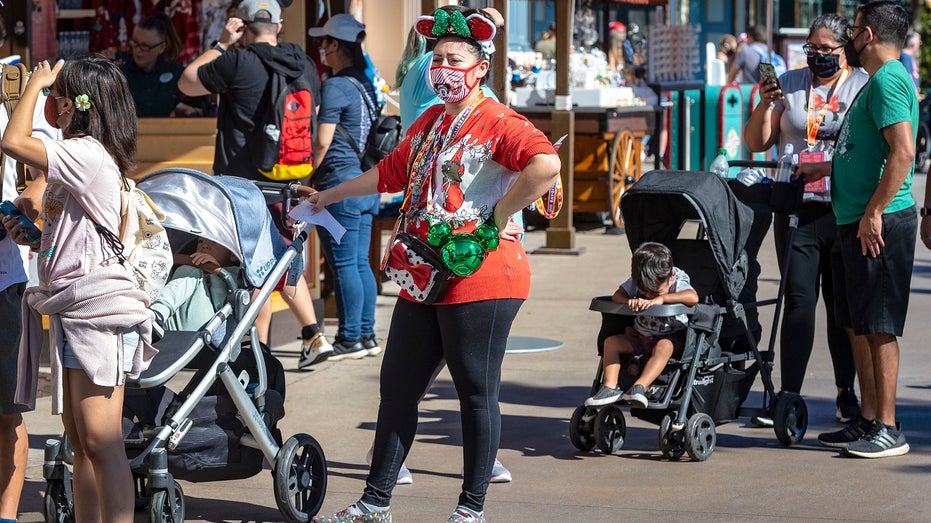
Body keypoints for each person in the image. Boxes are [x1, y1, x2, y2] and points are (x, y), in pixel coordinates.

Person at [308, 5, 560, 522]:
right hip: (424, 272)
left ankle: (471, 509)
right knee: (397, 386)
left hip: (482, 272)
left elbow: (546, 164)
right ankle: (375, 502)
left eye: (453, 59)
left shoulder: (498, 120)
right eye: (436, 58)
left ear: (480, 67)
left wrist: (496, 214)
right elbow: (388, 173)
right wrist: (326, 197)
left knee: (474, 390)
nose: (441, 67)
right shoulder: (429, 121)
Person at [2, 56, 156, 523]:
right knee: (82, 442)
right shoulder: (84, 154)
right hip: (74, 311)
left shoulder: (87, 153)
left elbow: (12, 141)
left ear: (77, 104)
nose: (51, 101)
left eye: (57, 94)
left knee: (102, 442)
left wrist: (31, 84)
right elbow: (73, 236)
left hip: (97, 314)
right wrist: (31, 236)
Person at [178, 0, 333, 370]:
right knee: (277, 264)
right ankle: (288, 341)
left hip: (242, 186)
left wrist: (220, 43)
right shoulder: (304, 63)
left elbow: (188, 81)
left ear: (243, 27)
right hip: (289, 183)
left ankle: (257, 354)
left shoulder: (236, 61)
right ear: (279, 26)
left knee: (253, 270)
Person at [796, 0, 918, 458]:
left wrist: (874, 212)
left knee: (879, 327)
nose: (848, 38)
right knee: (860, 325)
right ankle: (868, 419)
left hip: (878, 224)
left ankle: (887, 426)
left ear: (866, 35)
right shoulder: (878, 81)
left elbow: (903, 152)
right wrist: (825, 167)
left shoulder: (886, 80)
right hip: (858, 220)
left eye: (854, 31)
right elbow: (865, 151)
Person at [743, 13, 868, 425]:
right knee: (797, 299)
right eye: (810, 49)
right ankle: (788, 394)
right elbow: (758, 141)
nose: (816, 57)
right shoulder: (791, 83)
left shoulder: (861, 85)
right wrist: (766, 101)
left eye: (825, 50)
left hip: (844, 209)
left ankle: (845, 392)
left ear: (844, 49)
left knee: (841, 308)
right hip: (796, 207)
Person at [0, 38, 58, 523]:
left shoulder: (16, 87)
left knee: (6, 412)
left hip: (5, 277)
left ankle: (7, 515)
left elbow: (56, 161)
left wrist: (34, 190)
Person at [307, 14, 380, 361]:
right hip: (366, 185)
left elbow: (322, 142)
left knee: (345, 264)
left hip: (339, 187)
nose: (321, 49)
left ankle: (350, 337)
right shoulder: (365, 84)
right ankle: (365, 333)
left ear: (335, 46)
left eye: (324, 42)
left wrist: (305, 176)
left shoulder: (334, 86)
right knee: (360, 262)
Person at [584, 243, 699, 408]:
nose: (650, 296)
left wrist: (662, 299)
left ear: (671, 276)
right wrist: (629, 301)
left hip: (670, 336)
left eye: (656, 292)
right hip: (639, 335)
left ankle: (639, 387)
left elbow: (692, 297)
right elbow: (618, 295)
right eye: (645, 292)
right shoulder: (638, 279)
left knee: (664, 347)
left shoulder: (676, 280)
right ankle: (610, 387)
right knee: (611, 343)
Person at [119, 13, 209, 117]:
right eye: (135, 43)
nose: (138, 51)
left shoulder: (175, 73)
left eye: (145, 46)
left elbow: (205, 103)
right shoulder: (120, 72)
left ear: (161, 47)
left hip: (162, 131)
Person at [150, 236, 237, 332]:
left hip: (208, 323)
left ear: (232, 254)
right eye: (200, 241)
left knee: (189, 271)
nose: (204, 245)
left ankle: (156, 313)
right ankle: (152, 314)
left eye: (214, 241)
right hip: (171, 323)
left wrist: (215, 271)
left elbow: (220, 305)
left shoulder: (234, 274)